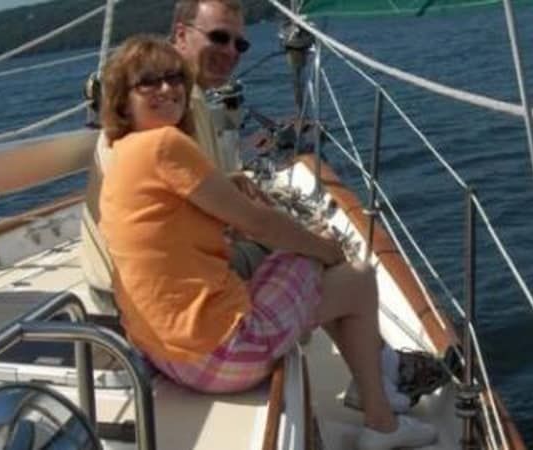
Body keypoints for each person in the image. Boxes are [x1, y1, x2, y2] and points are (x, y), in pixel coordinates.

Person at [97, 36, 438, 449]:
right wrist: (324, 248)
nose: (168, 89)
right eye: (149, 82)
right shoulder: (164, 144)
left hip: (170, 357)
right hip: (221, 355)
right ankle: (381, 422)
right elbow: (258, 224)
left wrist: (228, 185)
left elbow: (166, 222)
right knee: (355, 274)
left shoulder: (124, 153)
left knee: (316, 266)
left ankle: (368, 382)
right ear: (122, 99)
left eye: (174, 78)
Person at [80, 0, 251, 305]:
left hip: (119, 282)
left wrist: (229, 182)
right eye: (219, 38)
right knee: (304, 258)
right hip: (145, 295)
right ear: (181, 35)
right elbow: (221, 217)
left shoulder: (170, 101)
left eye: (240, 44)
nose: (231, 52)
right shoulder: (179, 105)